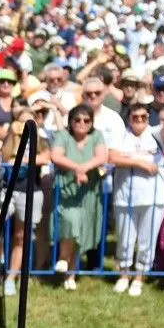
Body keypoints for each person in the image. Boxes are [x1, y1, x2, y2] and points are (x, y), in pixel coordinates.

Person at [109, 101, 164, 297]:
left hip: (153, 196)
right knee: (125, 239)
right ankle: (124, 274)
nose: (139, 120)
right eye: (135, 117)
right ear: (129, 118)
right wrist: (140, 163)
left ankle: (139, 277)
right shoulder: (121, 135)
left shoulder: (156, 133)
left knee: (146, 240)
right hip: (125, 195)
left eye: (143, 117)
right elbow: (113, 157)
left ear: (149, 118)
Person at [49, 103, 106, 289]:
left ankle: (71, 275)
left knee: (81, 232)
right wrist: (77, 168)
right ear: (71, 121)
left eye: (87, 120)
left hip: (89, 192)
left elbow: (102, 156)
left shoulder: (97, 136)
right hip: (67, 192)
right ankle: (63, 257)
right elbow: (56, 156)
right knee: (71, 224)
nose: (82, 123)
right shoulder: (63, 136)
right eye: (77, 119)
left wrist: (83, 168)